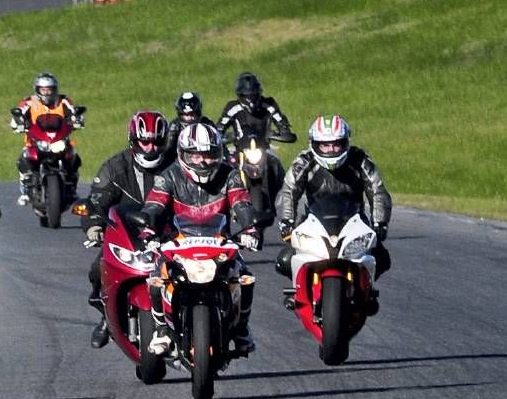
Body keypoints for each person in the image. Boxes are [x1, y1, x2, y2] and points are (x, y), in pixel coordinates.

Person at [138, 123, 260, 356]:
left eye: (208, 155)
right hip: (179, 241)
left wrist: (250, 228)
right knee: (155, 278)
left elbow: (241, 204)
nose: (202, 161)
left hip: (219, 241)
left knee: (245, 277)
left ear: (218, 154)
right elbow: (154, 205)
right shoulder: (169, 176)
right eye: (195, 155)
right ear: (183, 154)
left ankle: (242, 329)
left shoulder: (230, 175)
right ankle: (162, 329)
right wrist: (147, 230)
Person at [276, 115, 393, 311]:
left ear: (346, 143)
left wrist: (380, 223)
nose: (331, 150)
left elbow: (378, 190)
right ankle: (298, 292)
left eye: (336, 145)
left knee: (382, 257)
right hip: (314, 220)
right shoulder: (304, 160)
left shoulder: (360, 159)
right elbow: (289, 191)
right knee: (284, 259)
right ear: (315, 144)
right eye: (325, 145)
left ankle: (368, 290)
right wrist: (287, 221)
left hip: (354, 220)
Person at [82, 111, 173, 349]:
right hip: (127, 236)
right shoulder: (114, 167)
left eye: (156, 142)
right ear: (133, 141)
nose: (150, 148)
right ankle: (106, 314)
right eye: (145, 142)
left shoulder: (176, 166)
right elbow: (95, 200)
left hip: (170, 234)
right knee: (98, 268)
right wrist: (94, 226)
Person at [215, 72, 297, 208]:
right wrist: (222, 136)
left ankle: (278, 197)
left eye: (253, 95)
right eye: (246, 96)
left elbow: (281, 121)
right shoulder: (232, 107)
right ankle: (227, 203)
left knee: (276, 165)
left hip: (264, 148)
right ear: (240, 95)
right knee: (225, 170)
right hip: (240, 149)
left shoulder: (268, 105)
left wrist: (284, 132)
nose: (250, 100)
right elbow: (220, 126)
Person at [10, 72, 85, 205]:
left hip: (59, 140)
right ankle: (26, 191)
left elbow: (74, 113)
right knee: (24, 160)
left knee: (73, 158)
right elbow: (18, 114)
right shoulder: (29, 101)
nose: (46, 93)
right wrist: (18, 123)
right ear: (37, 90)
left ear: (55, 90)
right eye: (43, 90)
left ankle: (72, 189)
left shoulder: (64, 101)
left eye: (49, 90)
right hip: (35, 141)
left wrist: (77, 119)